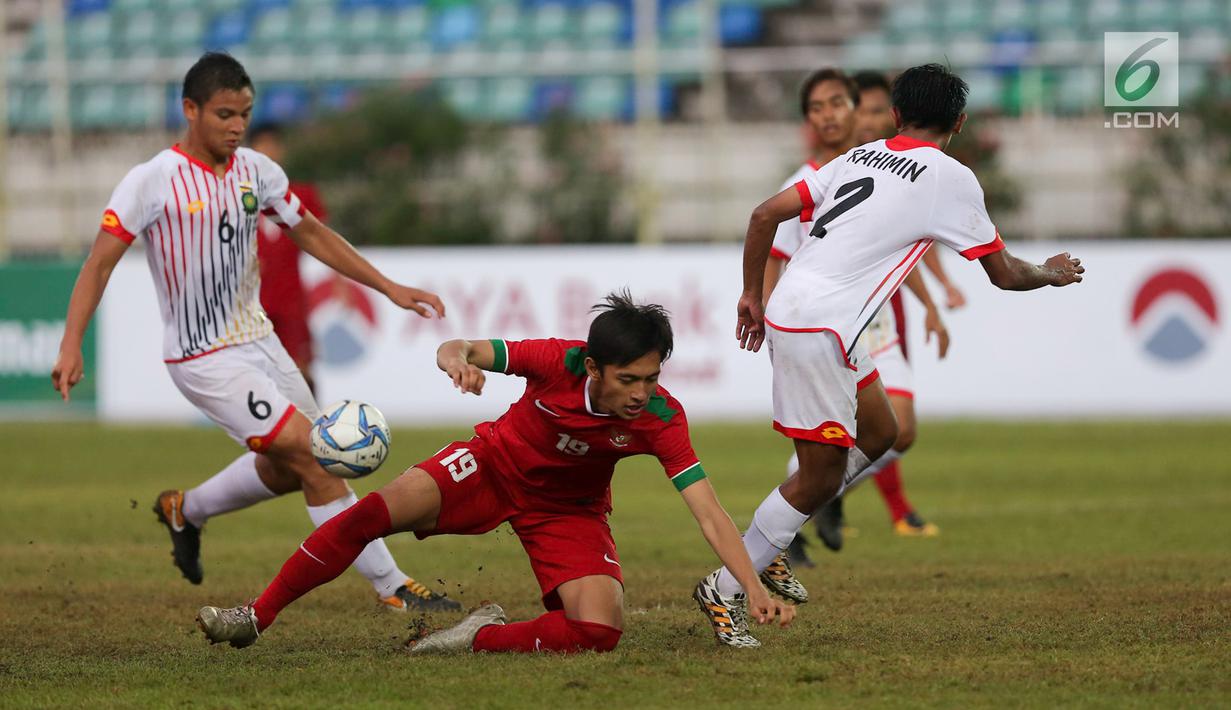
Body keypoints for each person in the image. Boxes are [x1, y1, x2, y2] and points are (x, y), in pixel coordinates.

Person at [50, 52, 457, 613]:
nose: (237, 126)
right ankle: (395, 589)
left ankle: (185, 510)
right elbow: (98, 264)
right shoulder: (151, 181)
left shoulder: (257, 171)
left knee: (292, 470)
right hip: (202, 357)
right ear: (190, 110)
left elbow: (310, 232)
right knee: (318, 457)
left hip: (262, 341)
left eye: (244, 113)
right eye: (224, 114)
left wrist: (387, 286)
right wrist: (72, 342)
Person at [695, 63, 1084, 646]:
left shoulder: (858, 157)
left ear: (896, 115)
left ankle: (772, 539)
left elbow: (762, 216)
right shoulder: (950, 177)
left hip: (814, 318)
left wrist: (752, 295)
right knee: (818, 479)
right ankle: (727, 585)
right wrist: (1049, 274)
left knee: (882, 431)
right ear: (959, 121)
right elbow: (1003, 274)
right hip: (819, 329)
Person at [195, 292, 795, 653]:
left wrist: (752, 587)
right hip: (489, 466)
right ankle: (254, 616)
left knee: (598, 632)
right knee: (372, 514)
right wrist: (456, 362)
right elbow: (460, 346)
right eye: (628, 379)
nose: (641, 393)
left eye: (652, 377)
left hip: (568, 510)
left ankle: (475, 636)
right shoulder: (554, 360)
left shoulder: (661, 418)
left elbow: (709, 512)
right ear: (592, 367)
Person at [757, 68, 951, 576]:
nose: (832, 115)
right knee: (834, 442)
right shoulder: (802, 181)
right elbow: (773, 252)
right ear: (808, 120)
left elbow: (889, 249)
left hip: (874, 322)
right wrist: (770, 317)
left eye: (840, 103)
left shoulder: (880, 167)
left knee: (897, 432)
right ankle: (790, 525)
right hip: (820, 324)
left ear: (858, 109)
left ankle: (823, 498)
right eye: (818, 107)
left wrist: (931, 302)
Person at [250, 123, 320, 393]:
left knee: (301, 368)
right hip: (253, 299)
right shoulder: (237, 195)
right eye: (262, 145)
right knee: (258, 372)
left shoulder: (302, 195)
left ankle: (314, 427)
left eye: (273, 144)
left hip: (291, 296)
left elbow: (322, 239)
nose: (269, 150)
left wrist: (339, 281)